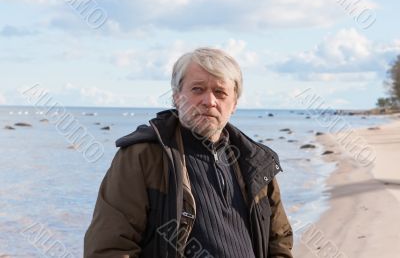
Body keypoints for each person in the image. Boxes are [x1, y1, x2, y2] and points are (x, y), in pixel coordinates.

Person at [84, 47, 293, 257]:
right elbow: (109, 247)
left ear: (234, 104)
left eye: (220, 92)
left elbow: (279, 241)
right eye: (197, 89)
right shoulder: (143, 157)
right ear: (176, 97)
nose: (209, 101)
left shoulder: (255, 162)